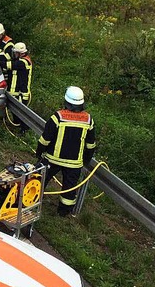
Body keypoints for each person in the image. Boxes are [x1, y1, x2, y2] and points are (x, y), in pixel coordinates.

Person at [37, 86, 96, 217]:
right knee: (69, 189)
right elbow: (91, 145)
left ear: (66, 102)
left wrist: (39, 153)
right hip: (74, 164)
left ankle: (31, 202)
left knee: (39, 181)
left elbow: (45, 140)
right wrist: (85, 160)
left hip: (52, 160)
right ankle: (63, 212)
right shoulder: (88, 120)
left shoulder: (57, 117)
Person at [7, 42, 32, 132]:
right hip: (18, 92)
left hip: (21, 93)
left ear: (20, 53)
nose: (14, 54)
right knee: (16, 112)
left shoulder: (22, 62)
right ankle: (18, 126)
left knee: (21, 113)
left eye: (16, 53)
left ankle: (24, 129)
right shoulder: (22, 61)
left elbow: (8, 65)